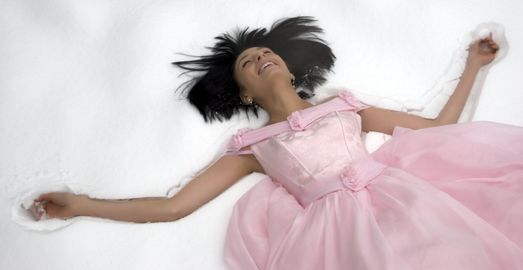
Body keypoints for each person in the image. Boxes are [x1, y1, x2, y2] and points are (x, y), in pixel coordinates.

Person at [34, 16, 523, 269]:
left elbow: (438, 131)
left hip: (403, 201)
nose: (262, 57)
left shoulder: (346, 106)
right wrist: (80, 205)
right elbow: (173, 207)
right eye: (249, 61)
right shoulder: (253, 147)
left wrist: (473, 67)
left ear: (290, 69)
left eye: (268, 52)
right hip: (334, 236)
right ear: (245, 91)